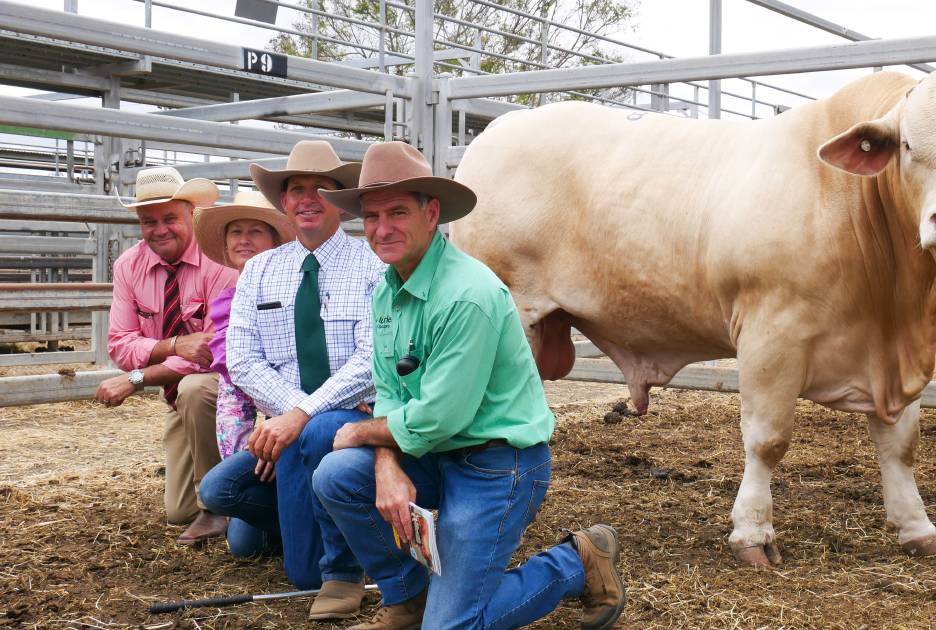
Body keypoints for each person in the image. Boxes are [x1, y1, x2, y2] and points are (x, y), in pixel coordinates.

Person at [312, 141, 627, 630]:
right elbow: (391, 391)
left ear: (431, 212)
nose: (382, 228)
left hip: (496, 464)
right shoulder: (387, 291)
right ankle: (410, 600)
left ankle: (576, 562)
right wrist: (385, 462)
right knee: (336, 475)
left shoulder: (468, 294)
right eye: (372, 217)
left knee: (454, 626)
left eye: (397, 212)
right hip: (436, 453)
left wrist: (360, 433)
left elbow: (441, 417)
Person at [225, 140, 384, 619]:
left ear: (339, 200)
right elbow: (241, 359)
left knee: (300, 572)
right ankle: (318, 517)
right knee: (220, 495)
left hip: (350, 412)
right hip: (289, 418)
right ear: (285, 202)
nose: (308, 197)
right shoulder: (260, 269)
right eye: (296, 189)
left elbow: (371, 360)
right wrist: (290, 414)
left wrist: (301, 415)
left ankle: (329, 559)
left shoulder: (373, 266)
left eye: (322, 188)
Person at [95, 166, 238, 544]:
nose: (159, 230)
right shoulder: (129, 265)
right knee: (178, 511)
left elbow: (210, 353)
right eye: (148, 221)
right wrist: (172, 345)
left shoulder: (218, 261)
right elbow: (119, 344)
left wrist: (138, 377)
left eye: (170, 218)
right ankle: (227, 496)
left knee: (195, 387)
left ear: (191, 213)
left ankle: (218, 508)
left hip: (223, 390)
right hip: (177, 396)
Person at [193, 190, 296, 558]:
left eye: (256, 231)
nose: (244, 240)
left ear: (275, 241)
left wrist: (278, 434)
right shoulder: (227, 302)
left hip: (294, 425)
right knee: (244, 545)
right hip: (266, 438)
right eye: (236, 231)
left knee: (232, 510)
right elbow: (232, 401)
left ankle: (308, 518)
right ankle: (296, 519)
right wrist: (248, 454)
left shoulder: (296, 290)